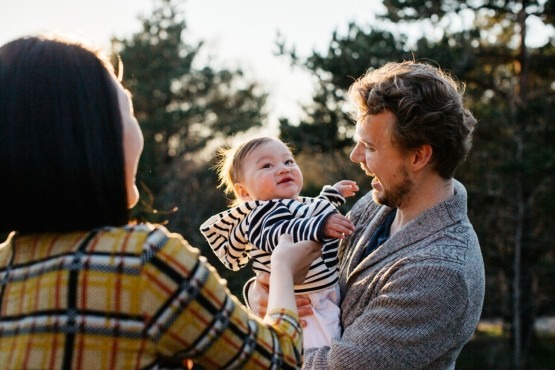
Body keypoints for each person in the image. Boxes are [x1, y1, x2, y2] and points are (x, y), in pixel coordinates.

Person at [0, 35, 323, 370]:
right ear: (90, 135)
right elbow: (279, 361)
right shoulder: (144, 261)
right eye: (128, 109)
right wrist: (282, 269)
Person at [246, 61, 486, 369]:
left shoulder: (441, 272)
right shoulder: (375, 205)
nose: (355, 156)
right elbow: (307, 274)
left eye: (370, 147)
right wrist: (260, 293)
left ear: (419, 156)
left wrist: (270, 332)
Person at [200, 136, 358, 349]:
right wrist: (320, 226)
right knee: (318, 350)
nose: (283, 169)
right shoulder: (260, 214)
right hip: (302, 307)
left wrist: (334, 194)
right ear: (244, 192)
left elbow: (315, 208)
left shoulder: (295, 204)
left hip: (322, 298)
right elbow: (279, 234)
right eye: (267, 166)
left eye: (289, 161)